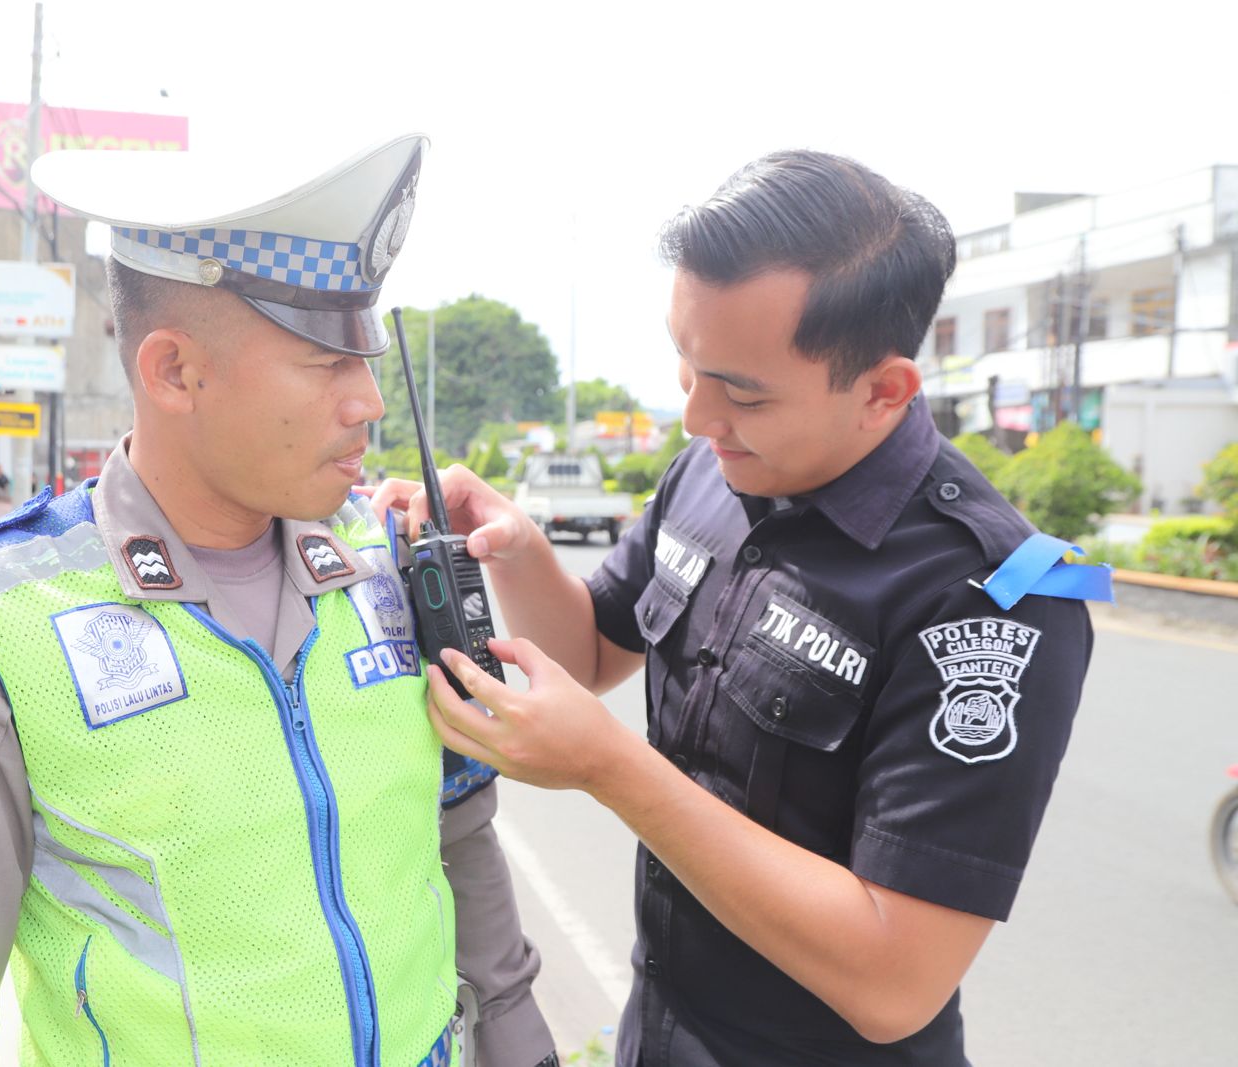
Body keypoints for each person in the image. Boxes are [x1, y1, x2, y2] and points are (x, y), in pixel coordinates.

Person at [372, 150, 1112, 1065]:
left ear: (883, 391)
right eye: (686, 365)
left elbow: (895, 980)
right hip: (659, 1030)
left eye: (744, 393)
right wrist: (518, 547)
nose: (696, 416)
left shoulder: (989, 597)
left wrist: (610, 767)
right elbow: (595, 650)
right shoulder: (713, 468)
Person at [0, 134, 552, 1067]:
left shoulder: (389, 562)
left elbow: (457, 823)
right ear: (173, 370)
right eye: (325, 362)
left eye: (368, 358)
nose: (369, 401)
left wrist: (514, 1023)